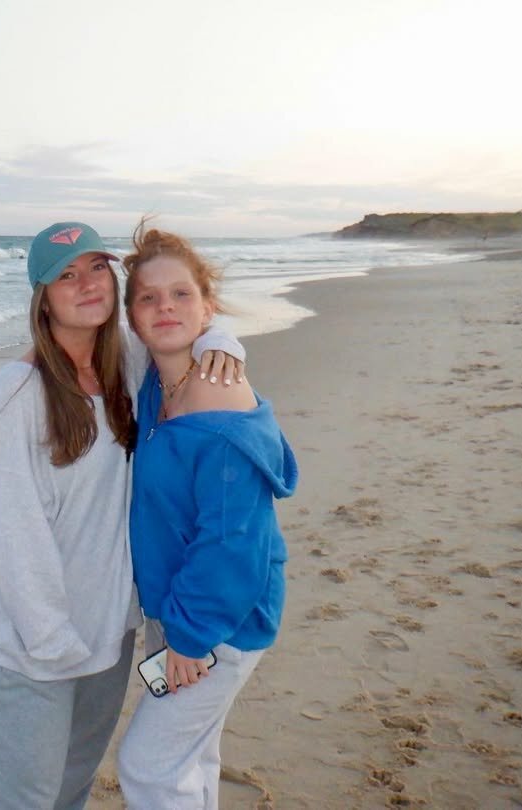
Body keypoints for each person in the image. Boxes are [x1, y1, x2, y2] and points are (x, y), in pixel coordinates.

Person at [0, 222, 245, 810]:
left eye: (97, 267)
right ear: (43, 299)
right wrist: (51, 642)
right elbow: (10, 532)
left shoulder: (128, 365)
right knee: (17, 799)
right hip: (38, 650)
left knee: (72, 789)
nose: (87, 283)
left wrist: (223, 342)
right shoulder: (14, 395)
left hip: (111, 638)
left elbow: (186, 324)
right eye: (66, 275)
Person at [116, 221, 298, 809]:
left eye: (181, 294)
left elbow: (233, 540)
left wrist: (192, 639)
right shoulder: (157, 383)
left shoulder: (218, 399)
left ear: (207, 305)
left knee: (149, 766)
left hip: (220, 620)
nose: (165, 307)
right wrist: (217, 336)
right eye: (148, 298)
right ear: (132, 317)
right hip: (179, 606)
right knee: (193, 757)